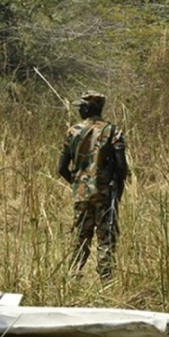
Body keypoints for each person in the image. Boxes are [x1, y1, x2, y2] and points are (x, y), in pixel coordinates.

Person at [57, 90, 128, 281]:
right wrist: (117, 189)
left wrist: (78, 183)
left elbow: (61, 168)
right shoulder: (113, 131)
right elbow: (122, 168)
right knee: (106, 238)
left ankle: (73, 276)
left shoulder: (72, 132)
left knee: (80, 236)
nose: (79, 110)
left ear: (88, 108)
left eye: (81, 106)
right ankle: (106, 279)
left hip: (81, 194)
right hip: (105, 194)